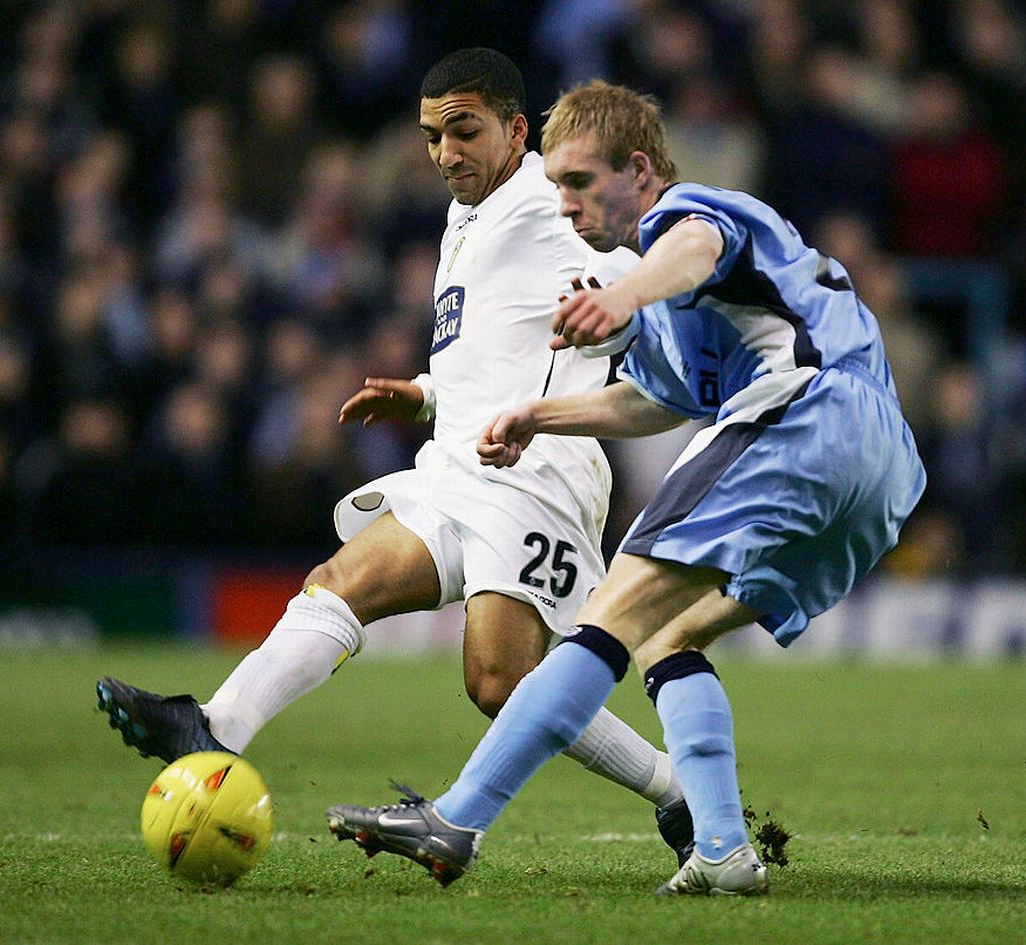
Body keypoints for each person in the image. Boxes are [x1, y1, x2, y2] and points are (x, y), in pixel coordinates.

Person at [325, 80, 927, 896]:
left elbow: (697, 246)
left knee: (607, 613)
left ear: (638, 168)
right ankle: (721, 846)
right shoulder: (668, 297)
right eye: (557, 185)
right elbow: (655, 401)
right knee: (668, 634)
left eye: (579, 181)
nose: (565, 203)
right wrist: (540, 414)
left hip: (808, 414)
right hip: (877, 466)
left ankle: (458, 817)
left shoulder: (690, 215)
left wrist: (623, 293)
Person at [95, 51, 694, 870]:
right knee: (340, 582)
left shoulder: (551, 199)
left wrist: (629, 305)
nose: (444, 151)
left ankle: (676, 789)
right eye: (431, 135)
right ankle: (215, 725)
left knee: (499, 684)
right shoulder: (463, 217)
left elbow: (640, 262)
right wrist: (424, 393)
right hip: (455, 457)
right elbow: (493, 350)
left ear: (517, 131)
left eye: (463, 129)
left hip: (538, 470)